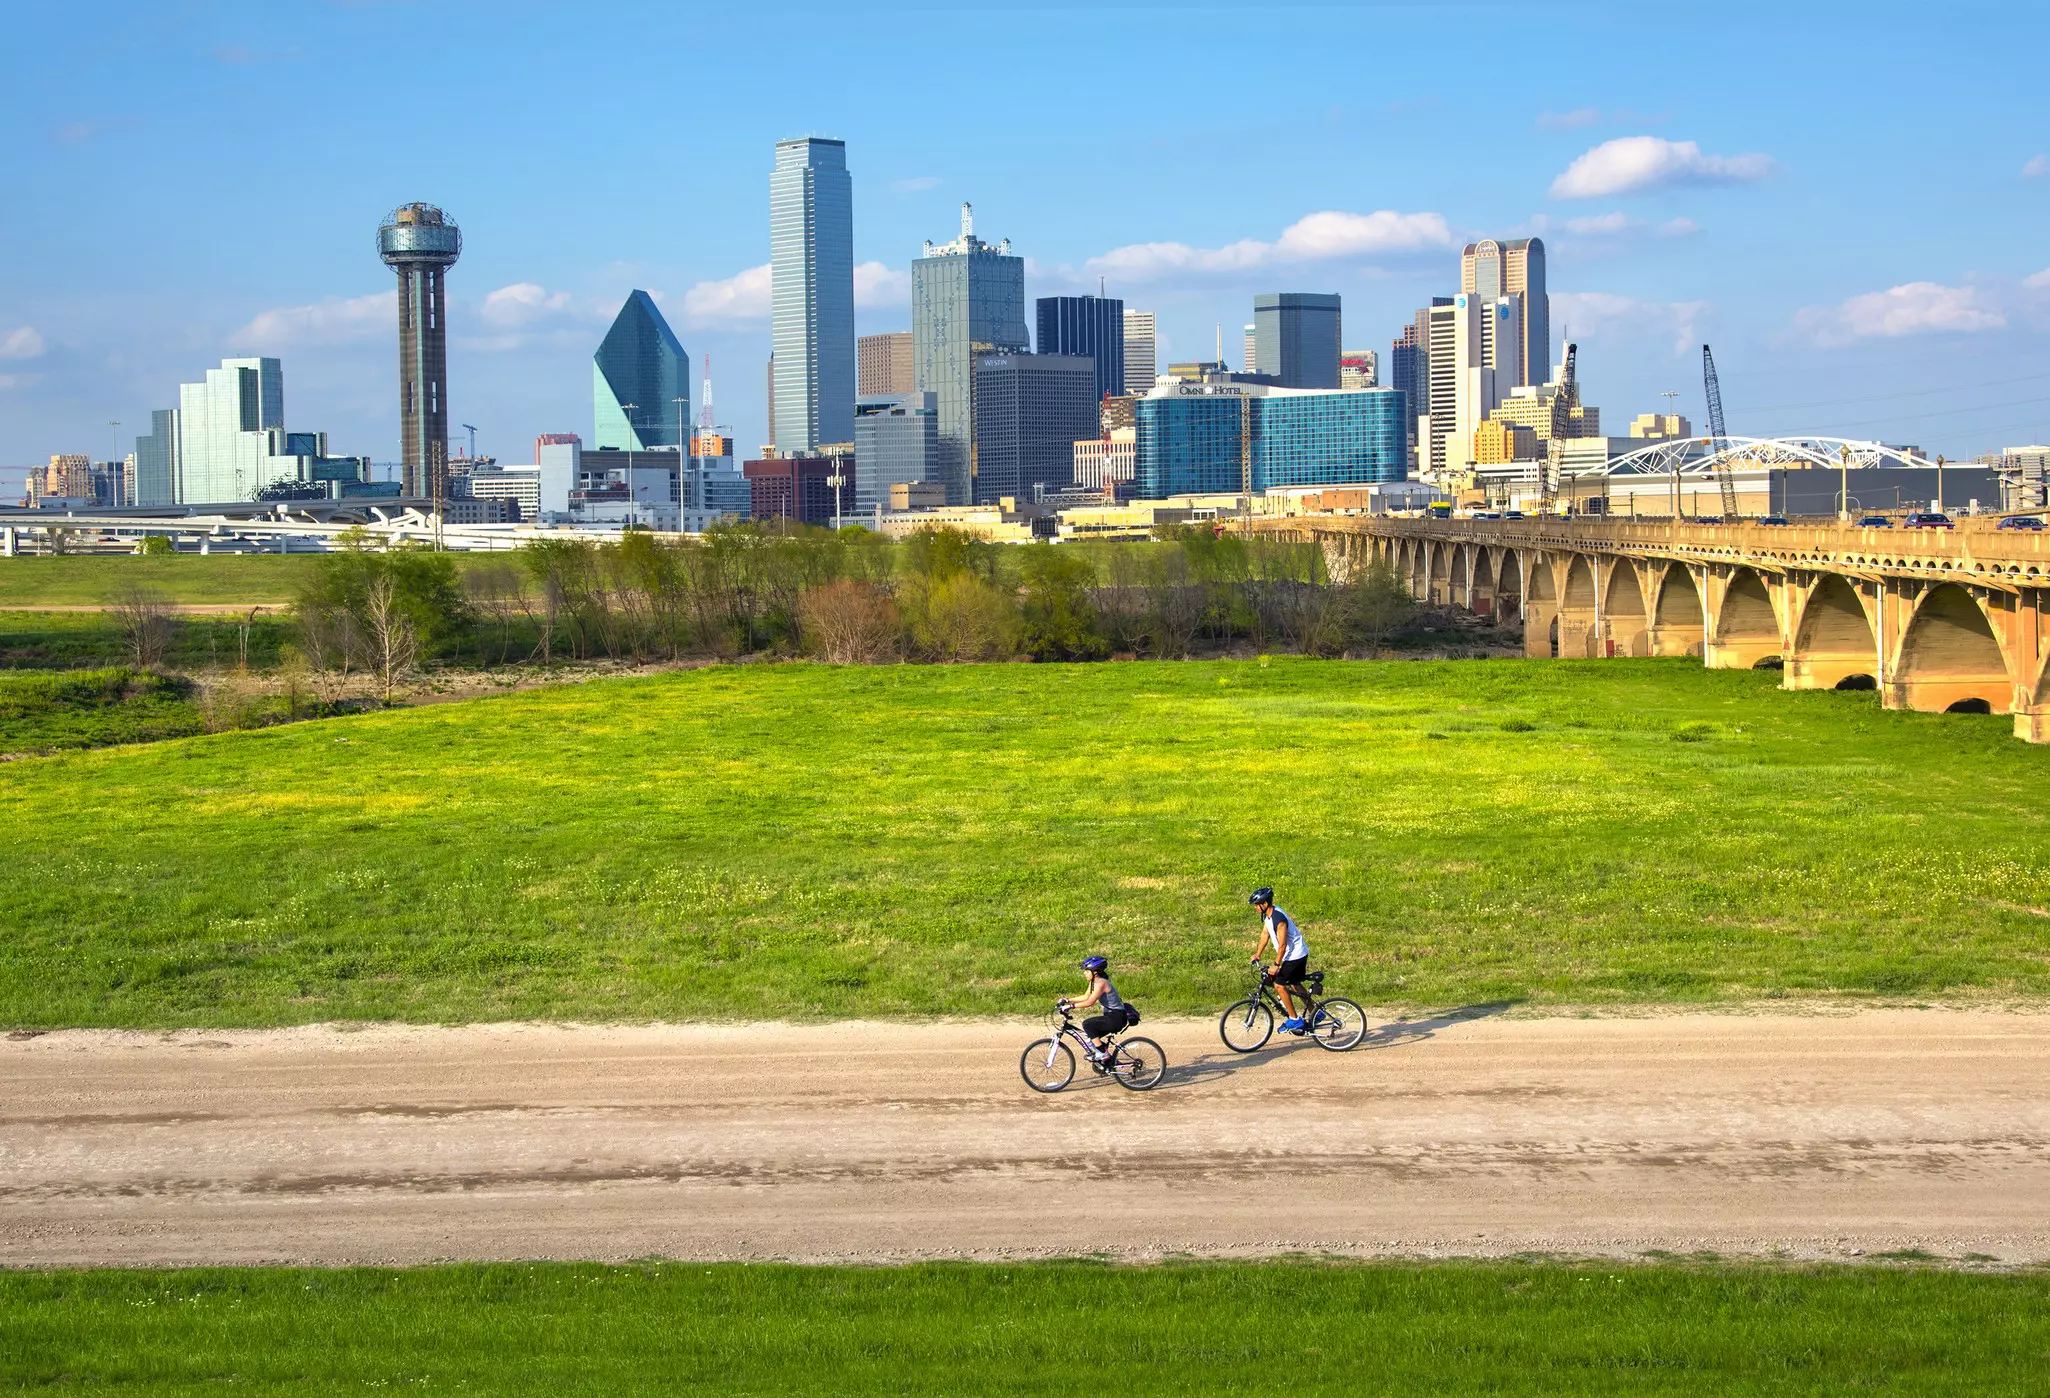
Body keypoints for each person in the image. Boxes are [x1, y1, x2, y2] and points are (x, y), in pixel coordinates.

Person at [1248, 887, 1311, 1033]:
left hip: (1295, 955)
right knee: (1294, 984)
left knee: (1279, 985)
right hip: (1295, 954)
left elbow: (1282, 945)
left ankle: (1294, 1020)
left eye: (1257, 905)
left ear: (1264, 904)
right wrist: (1258, 954)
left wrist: (1276, 965)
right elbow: (1265, 934)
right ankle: (1316, 1012)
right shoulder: (1269, 916)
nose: (1256, 908)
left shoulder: (1278, 919)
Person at [1059, 955, 1132, 1066]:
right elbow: (1085, 996)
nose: (1084, 973)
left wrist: (1070, 1007)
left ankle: (1103, 1054)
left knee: (1088, 1024)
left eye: (1087, 971)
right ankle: (1109, 1062)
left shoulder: (1102, 983)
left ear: (1095, 972)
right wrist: (1067, 1000)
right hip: (1110, 1016)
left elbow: (1090, 1002)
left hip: (1116, 1017)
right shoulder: (1094, 982)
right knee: (1090, 1036)